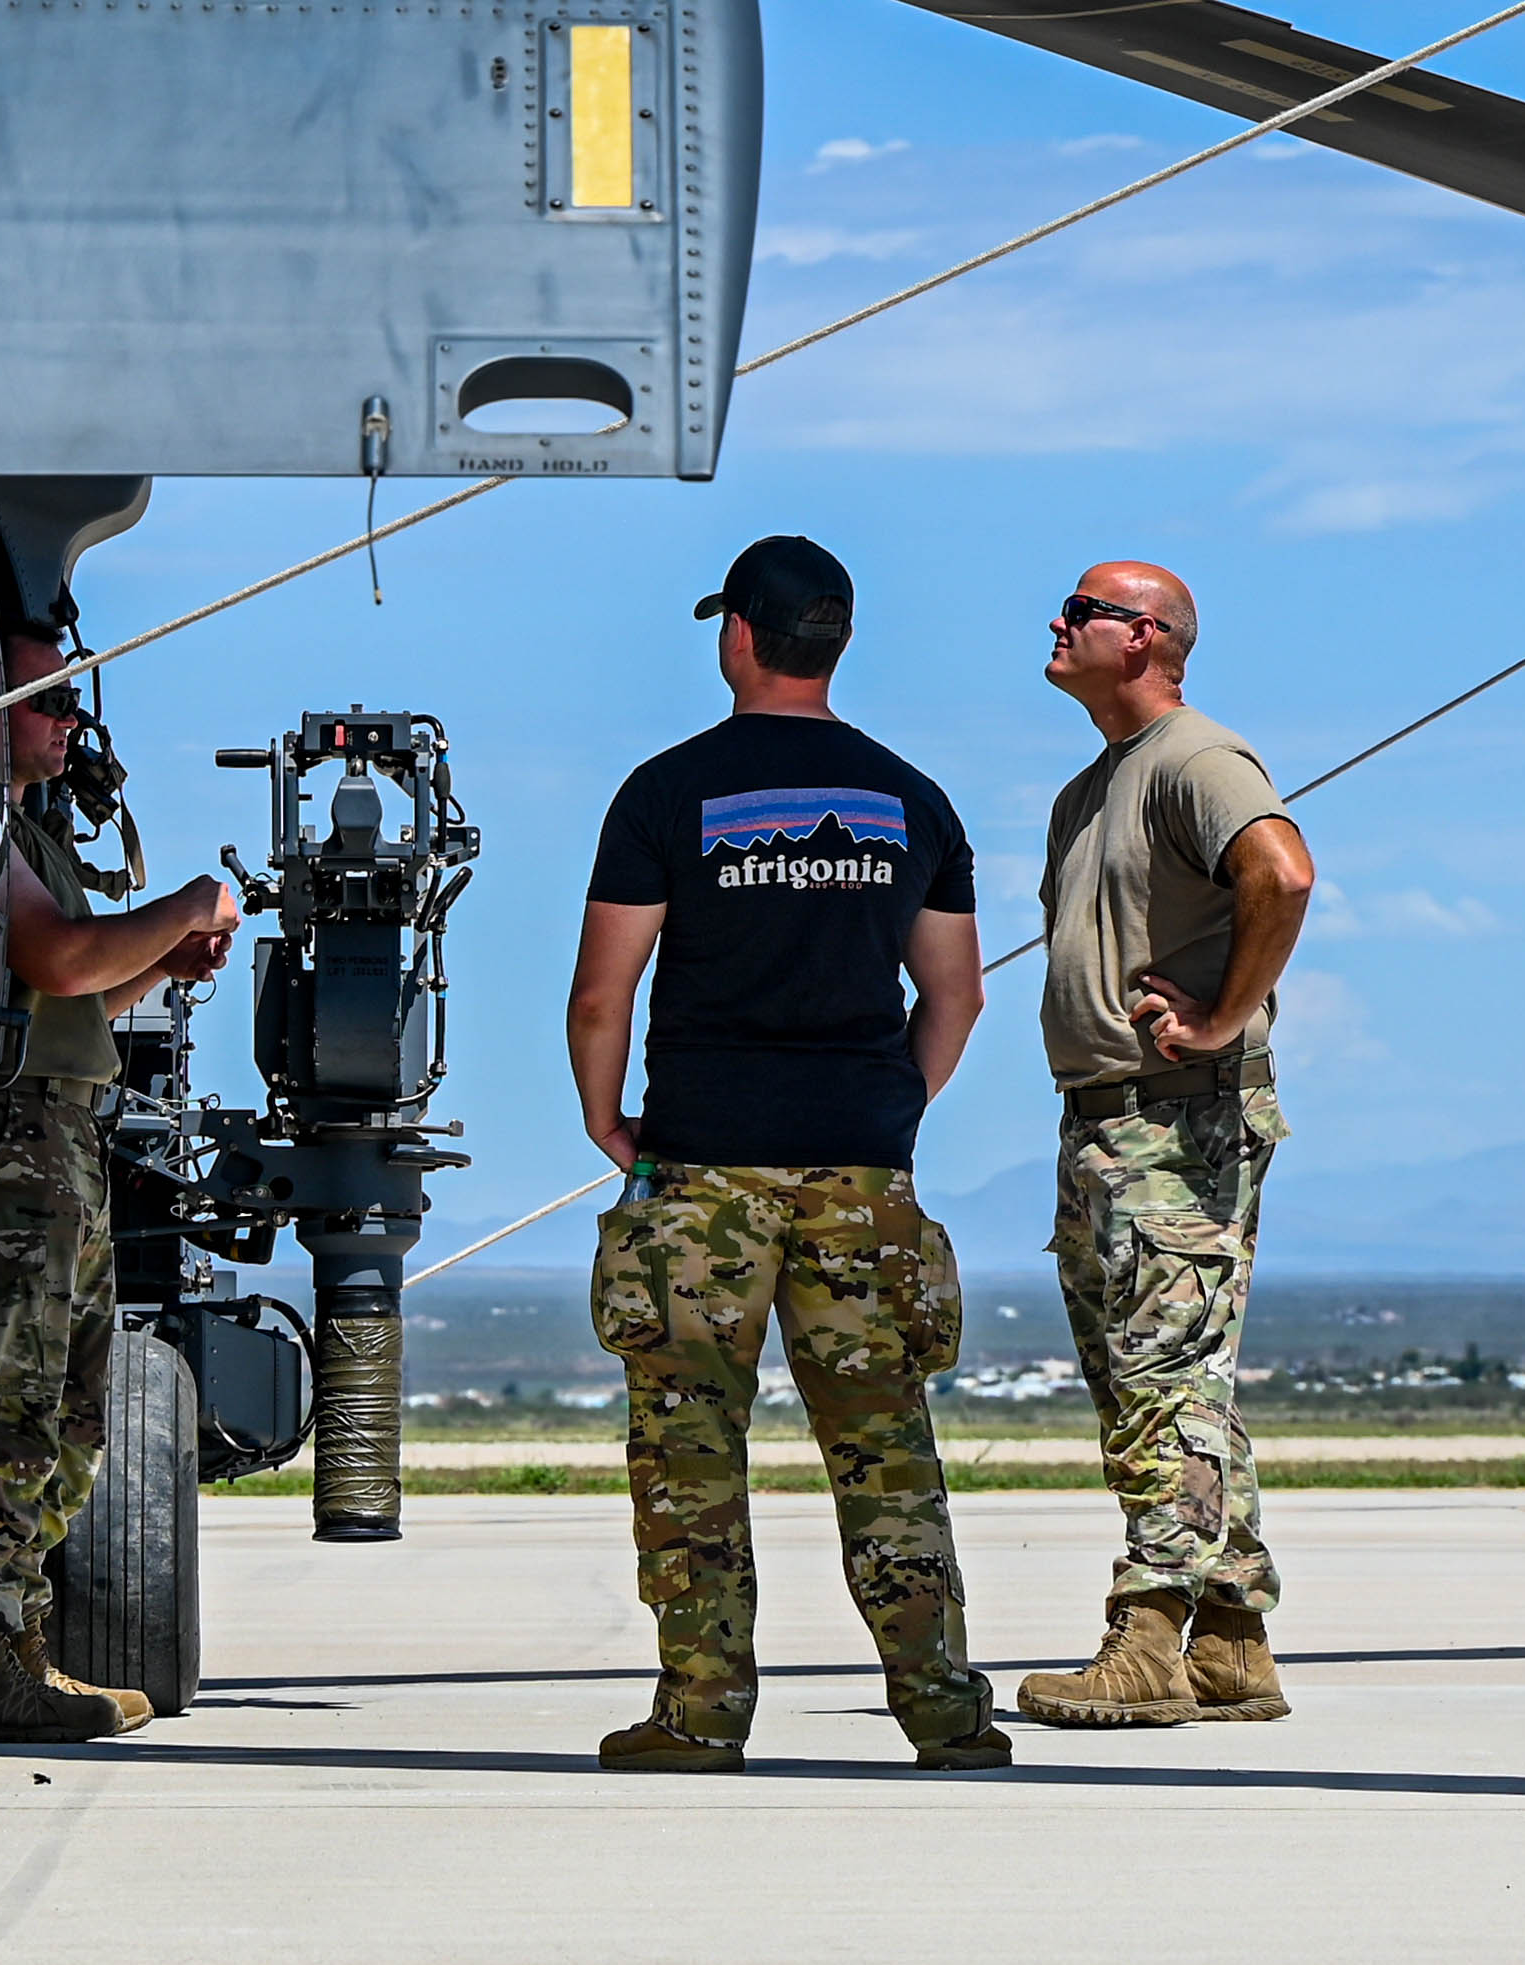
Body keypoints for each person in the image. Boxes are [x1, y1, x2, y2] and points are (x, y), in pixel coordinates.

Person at [563, 535, 1007, 1774]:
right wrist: (881, 1113)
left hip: (701, 1165)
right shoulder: (910, 798)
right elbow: (955, 994)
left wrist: (608, 1121)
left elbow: (604, 992)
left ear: (739, 636)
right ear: (837, 639)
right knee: (883, 1442)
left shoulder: (665, 792)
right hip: (862, 1167)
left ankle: (701, 1713)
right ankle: (942, 1710)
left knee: (690, 1444)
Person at [0, 623, 240, 1742]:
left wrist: (156, 957)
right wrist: (184, 902)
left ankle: (19, 1639)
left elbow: (79, 995)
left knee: (63, 1399)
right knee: (1, 1395)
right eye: (43, 699)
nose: (66, 720)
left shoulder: (33, 838)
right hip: (11, 1147)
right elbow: (51, 959)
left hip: (59, 1138)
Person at [1013, 555, 1316, 1729]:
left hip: (1171, 1118)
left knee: (1157, 1384)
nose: (1057, 621)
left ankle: (1145, 1634)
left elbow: (1279, 873)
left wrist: (1220, 1015)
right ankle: (1232, 1633)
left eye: (1080, 609)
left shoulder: (1195, 757)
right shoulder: (1092, 785)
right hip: (1103, 1119)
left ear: (1142, 636)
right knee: (1168, 1379)